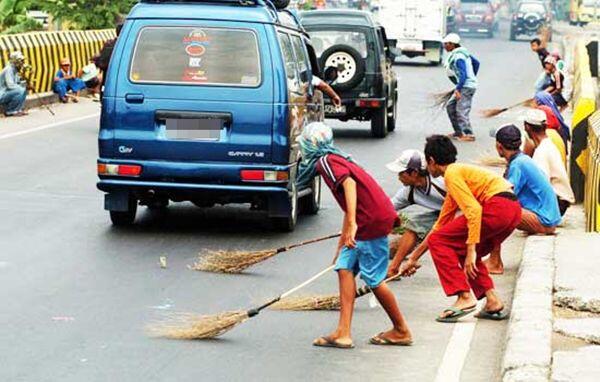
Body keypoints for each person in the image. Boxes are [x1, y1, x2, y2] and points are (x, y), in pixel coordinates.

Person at [297, 122, 413, 349]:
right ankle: (343, 332)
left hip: (370, 221)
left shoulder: (325, 161)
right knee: (344, 267)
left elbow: (348, 184)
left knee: (374, 279)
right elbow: (349, 201)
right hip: (370, 218)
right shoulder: (337, 158)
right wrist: (343, 239)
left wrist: (352, 223)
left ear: (311, 144)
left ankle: (401, 329)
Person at [399, 135, 519, 322]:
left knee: (453, 245)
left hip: (498, 207)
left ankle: (463, 296)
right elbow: (439, 226)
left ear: (431, 161)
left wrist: (471, 250)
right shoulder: (458, 176)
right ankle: (491, 300)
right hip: (512, 211)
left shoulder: (452, 174)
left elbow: (473, 210)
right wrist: (412, 258)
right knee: (455, 245)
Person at [484, 125, 561, 274]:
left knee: (496, 212)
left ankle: (494, 261)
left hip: (544, 219)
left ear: (499, 146)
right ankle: (493, 259)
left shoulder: (518, 165)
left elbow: (506, 194)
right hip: (547, 215)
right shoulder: (522, 160)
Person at [384, 150, 446, 278]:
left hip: (465, 210)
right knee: (415, 224)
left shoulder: (441, 181)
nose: (399, 177)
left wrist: (414, 257)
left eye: (401, 173)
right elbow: (385, 210)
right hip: (444, 214)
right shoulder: (409, 192)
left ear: (414, 173)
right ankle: (393, 269)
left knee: (438, 238)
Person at [523, 110, 575, 215]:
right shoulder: (548, 144)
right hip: (560, 200)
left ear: (527, 127)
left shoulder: (542, 151)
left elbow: (541, 184)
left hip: (557, 203)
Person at [442, 33, 480, 142]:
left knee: (461, 110)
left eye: (446, 44)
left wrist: (459, 88)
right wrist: (472, 76)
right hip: (465, 85)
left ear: (452, 44)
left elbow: (463, 74)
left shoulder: (459, 57)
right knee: (450, 107)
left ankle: (468, 134)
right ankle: (458, 132)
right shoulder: (462, 53)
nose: (444, 46)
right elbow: (476, 63)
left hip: (465, 87)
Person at [0, 51, 28, 117]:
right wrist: (21, 87)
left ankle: (18, 109)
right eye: (20, 60)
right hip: (2, 94)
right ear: (15, 61)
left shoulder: (14, 69)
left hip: (7, 93)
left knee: (24, 88)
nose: (22, 62)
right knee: (20, 90)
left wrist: (26, 84)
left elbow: (17, 83)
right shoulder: (8, 69)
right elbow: (11, 85)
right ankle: (10, 111)